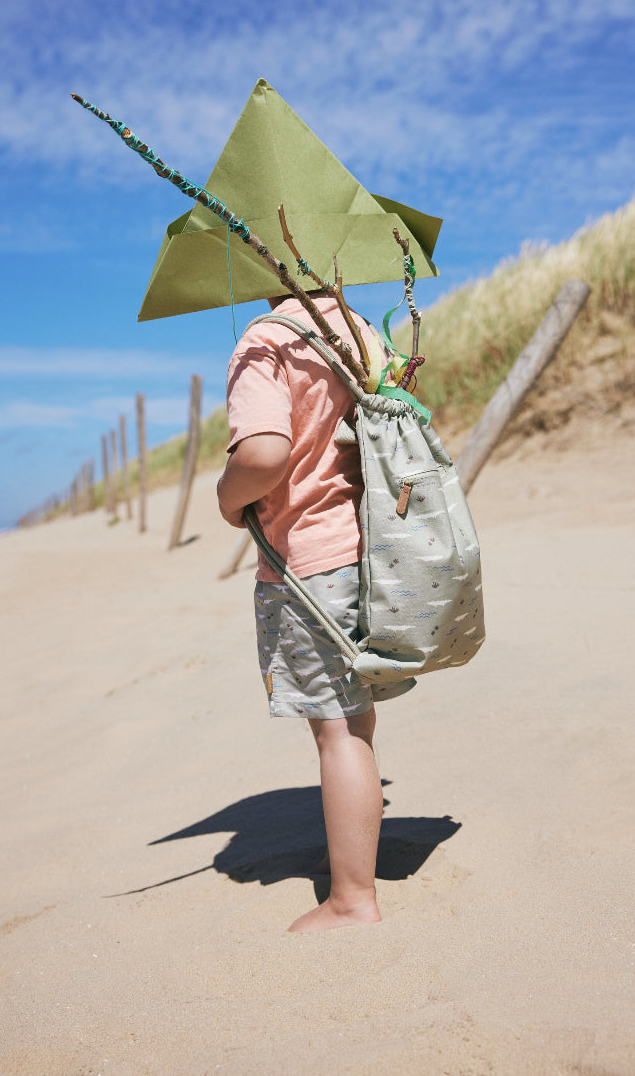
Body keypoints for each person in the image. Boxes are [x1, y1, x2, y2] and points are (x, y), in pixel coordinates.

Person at [216, 288, 416, 933]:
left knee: (336, 730)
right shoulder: (360, 331)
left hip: (310, 561)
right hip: (375, 548)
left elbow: (264, 454)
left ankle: (352, 899)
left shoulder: (267, 339)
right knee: (355, 720)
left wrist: (227, 497)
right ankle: (356, 873)